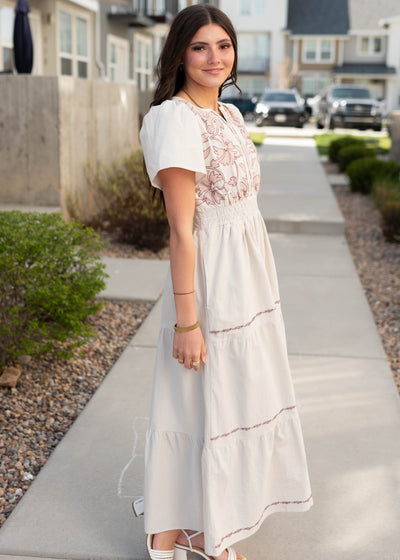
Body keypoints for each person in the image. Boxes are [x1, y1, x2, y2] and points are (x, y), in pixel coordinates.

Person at [139, 5, 313, 560]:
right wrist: (187, 322)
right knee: (198, 398)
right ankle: (174, 530)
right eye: (200, 47)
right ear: (179, 54)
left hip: (248, 277)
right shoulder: (174, 119)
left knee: (234, 397)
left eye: (224, 45)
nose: (214, 58)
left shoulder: (230, 115)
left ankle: (190, 527)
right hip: (210, 278)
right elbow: (182, 230)